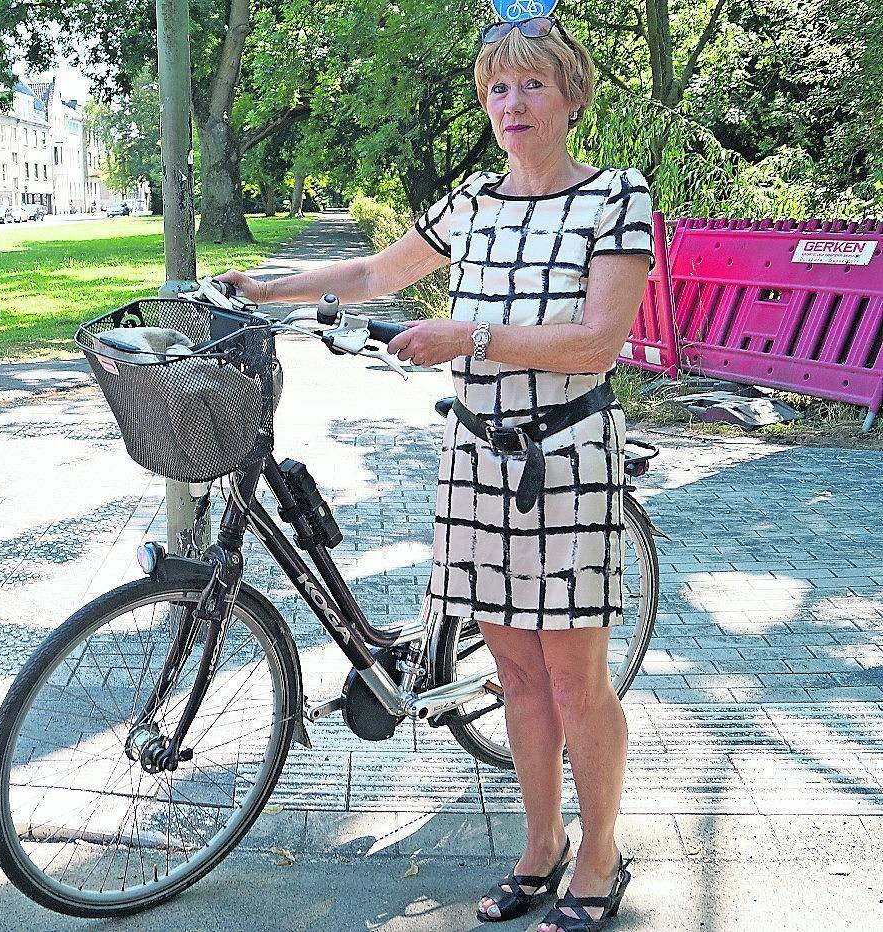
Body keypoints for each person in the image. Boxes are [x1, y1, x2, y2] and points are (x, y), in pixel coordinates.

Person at [218, 16, 652, 932]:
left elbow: (598, 343)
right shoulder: (472, 202)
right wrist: (271, 287)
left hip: (567, 457)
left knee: (577, 680)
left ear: (571, 95)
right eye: (498, 89)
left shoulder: (616, 197)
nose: (513, 105)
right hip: (477, 459)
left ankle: (600, 853)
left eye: (531, 85)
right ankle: (541, 847)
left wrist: (469, 337)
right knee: (517, 677)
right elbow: (377, 270)